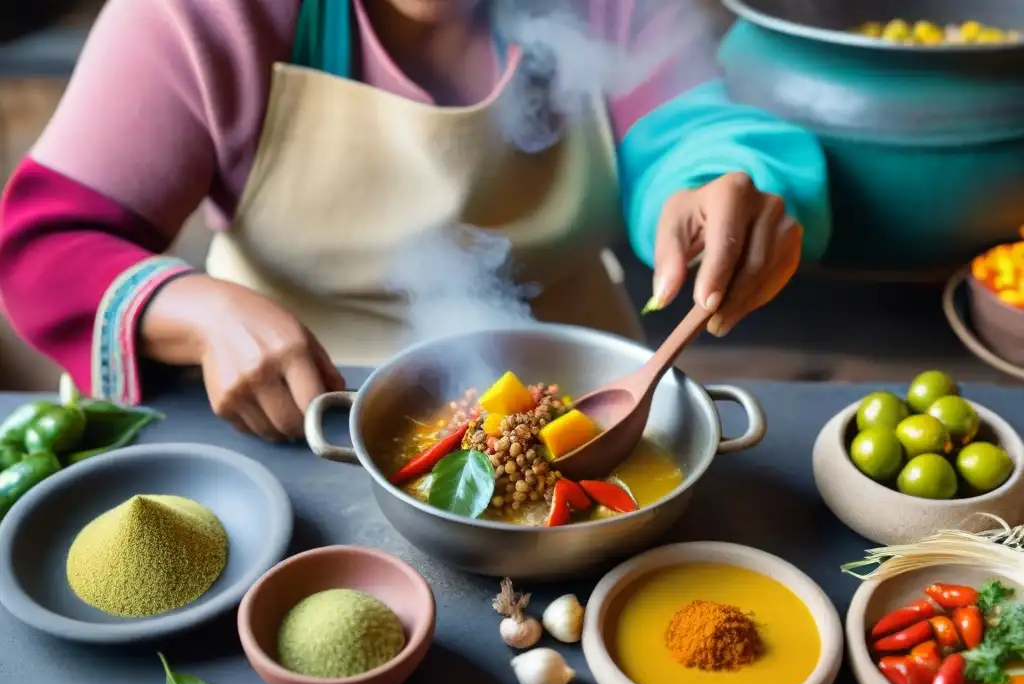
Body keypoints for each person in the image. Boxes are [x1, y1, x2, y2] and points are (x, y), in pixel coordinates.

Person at [0, 0, 831, 442]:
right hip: (297, 423)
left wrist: (719, 184)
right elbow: (48, 242)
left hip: (582, 412)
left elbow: (698, 132)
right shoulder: (204, 13)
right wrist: (198, 313)